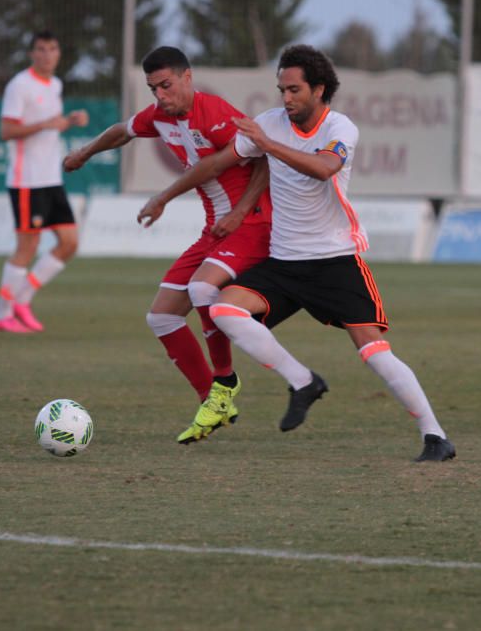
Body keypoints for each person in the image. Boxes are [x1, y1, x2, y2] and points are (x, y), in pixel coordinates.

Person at [156, 45, 455, 462]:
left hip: (335, 261)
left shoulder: (341, 128)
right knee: (224, 311)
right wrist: (166, 196)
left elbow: (323, 168)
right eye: (281, 90)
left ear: (319, 89)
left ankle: (435, 436)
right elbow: (221, 162)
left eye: (294, 90)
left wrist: (266, 145)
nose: (286, 98)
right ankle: (303, 382)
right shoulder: (269, 124)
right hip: (283, 263)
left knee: (372, 351)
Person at [63, 46, 272, 444]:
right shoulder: (159, 117)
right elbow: (122, 131)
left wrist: (239, 211)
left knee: (202, 288)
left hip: (251, 225)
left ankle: (226, 380)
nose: (160, 95)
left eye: (166, 85)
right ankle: (212, 398)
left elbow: (262, 161)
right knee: (162, 317)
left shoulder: (216, 114)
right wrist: (85, 154)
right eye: (153, 88)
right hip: (216, 230)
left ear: (187, 77)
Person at [0, 30, 89, 334]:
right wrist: (46, 124)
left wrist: (69, 120)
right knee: (27, 247)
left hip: (51, 178)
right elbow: (6, 131)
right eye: (41, 49)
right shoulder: (19, 86)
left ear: (59, 53)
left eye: (53, 48)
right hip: (27, 181)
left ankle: (24, 298)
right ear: (32, 53)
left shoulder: (55, 84)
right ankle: (2, 313)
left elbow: (51, 126)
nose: (47, 54)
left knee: (70, 243)